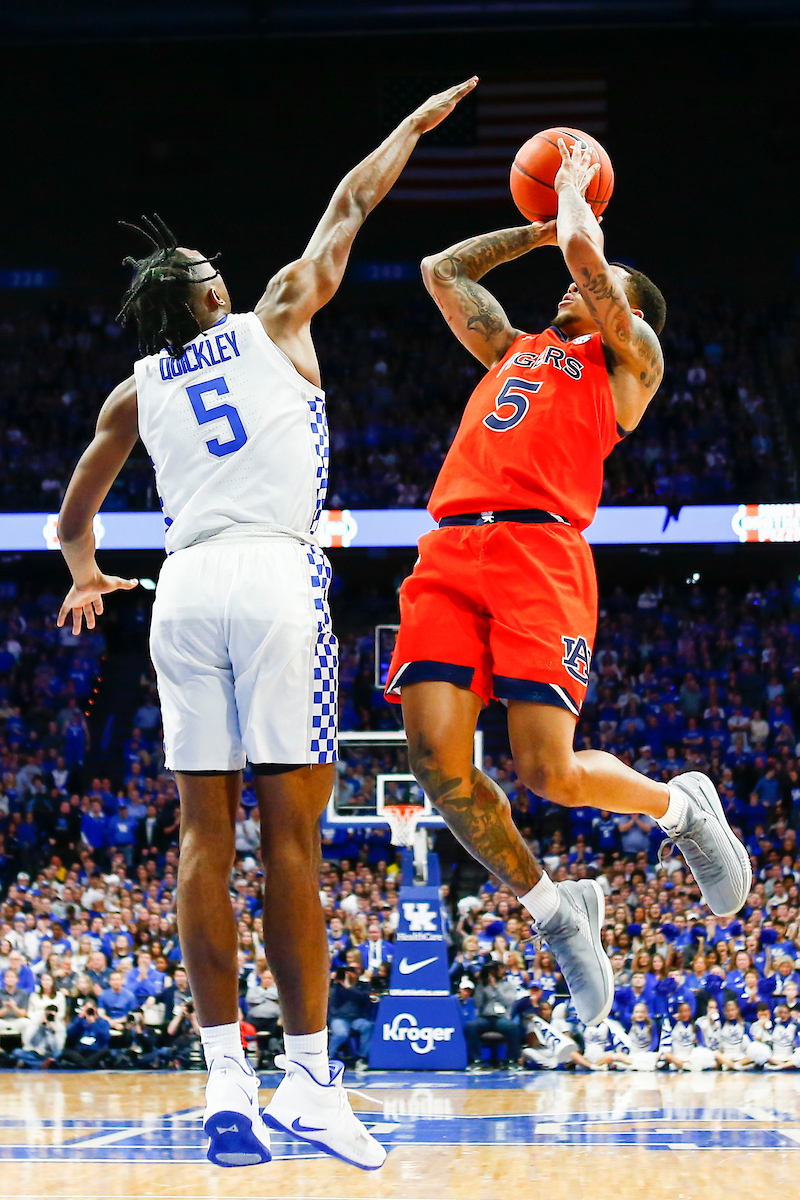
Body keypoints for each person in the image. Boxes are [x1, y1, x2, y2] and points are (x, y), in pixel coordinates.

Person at [54, 76, 476, 1171]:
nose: (226, 280)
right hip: (276, 578)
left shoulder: (133, 391)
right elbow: (347, 209)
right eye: (213, 276)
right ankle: (309, 1085)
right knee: (290, 839)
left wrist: (91, 573)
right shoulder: (273, 318)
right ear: (206, 301)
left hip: (181, 587)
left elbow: (72, 516)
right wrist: (409, 130)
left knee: (202, 838)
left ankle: (224, 1085)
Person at [384, 136, 751, 1026]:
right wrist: (542, 226)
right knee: (435, 766)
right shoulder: (512, 348)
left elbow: (595, 266)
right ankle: (559, 912)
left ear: (630, 312)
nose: (580, 283)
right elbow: (440, 269)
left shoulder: (629, 365)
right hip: (449, 551)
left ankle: (679, 804)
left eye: (603, 284)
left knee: (547, 770)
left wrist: (583, 206)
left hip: (540, 555)